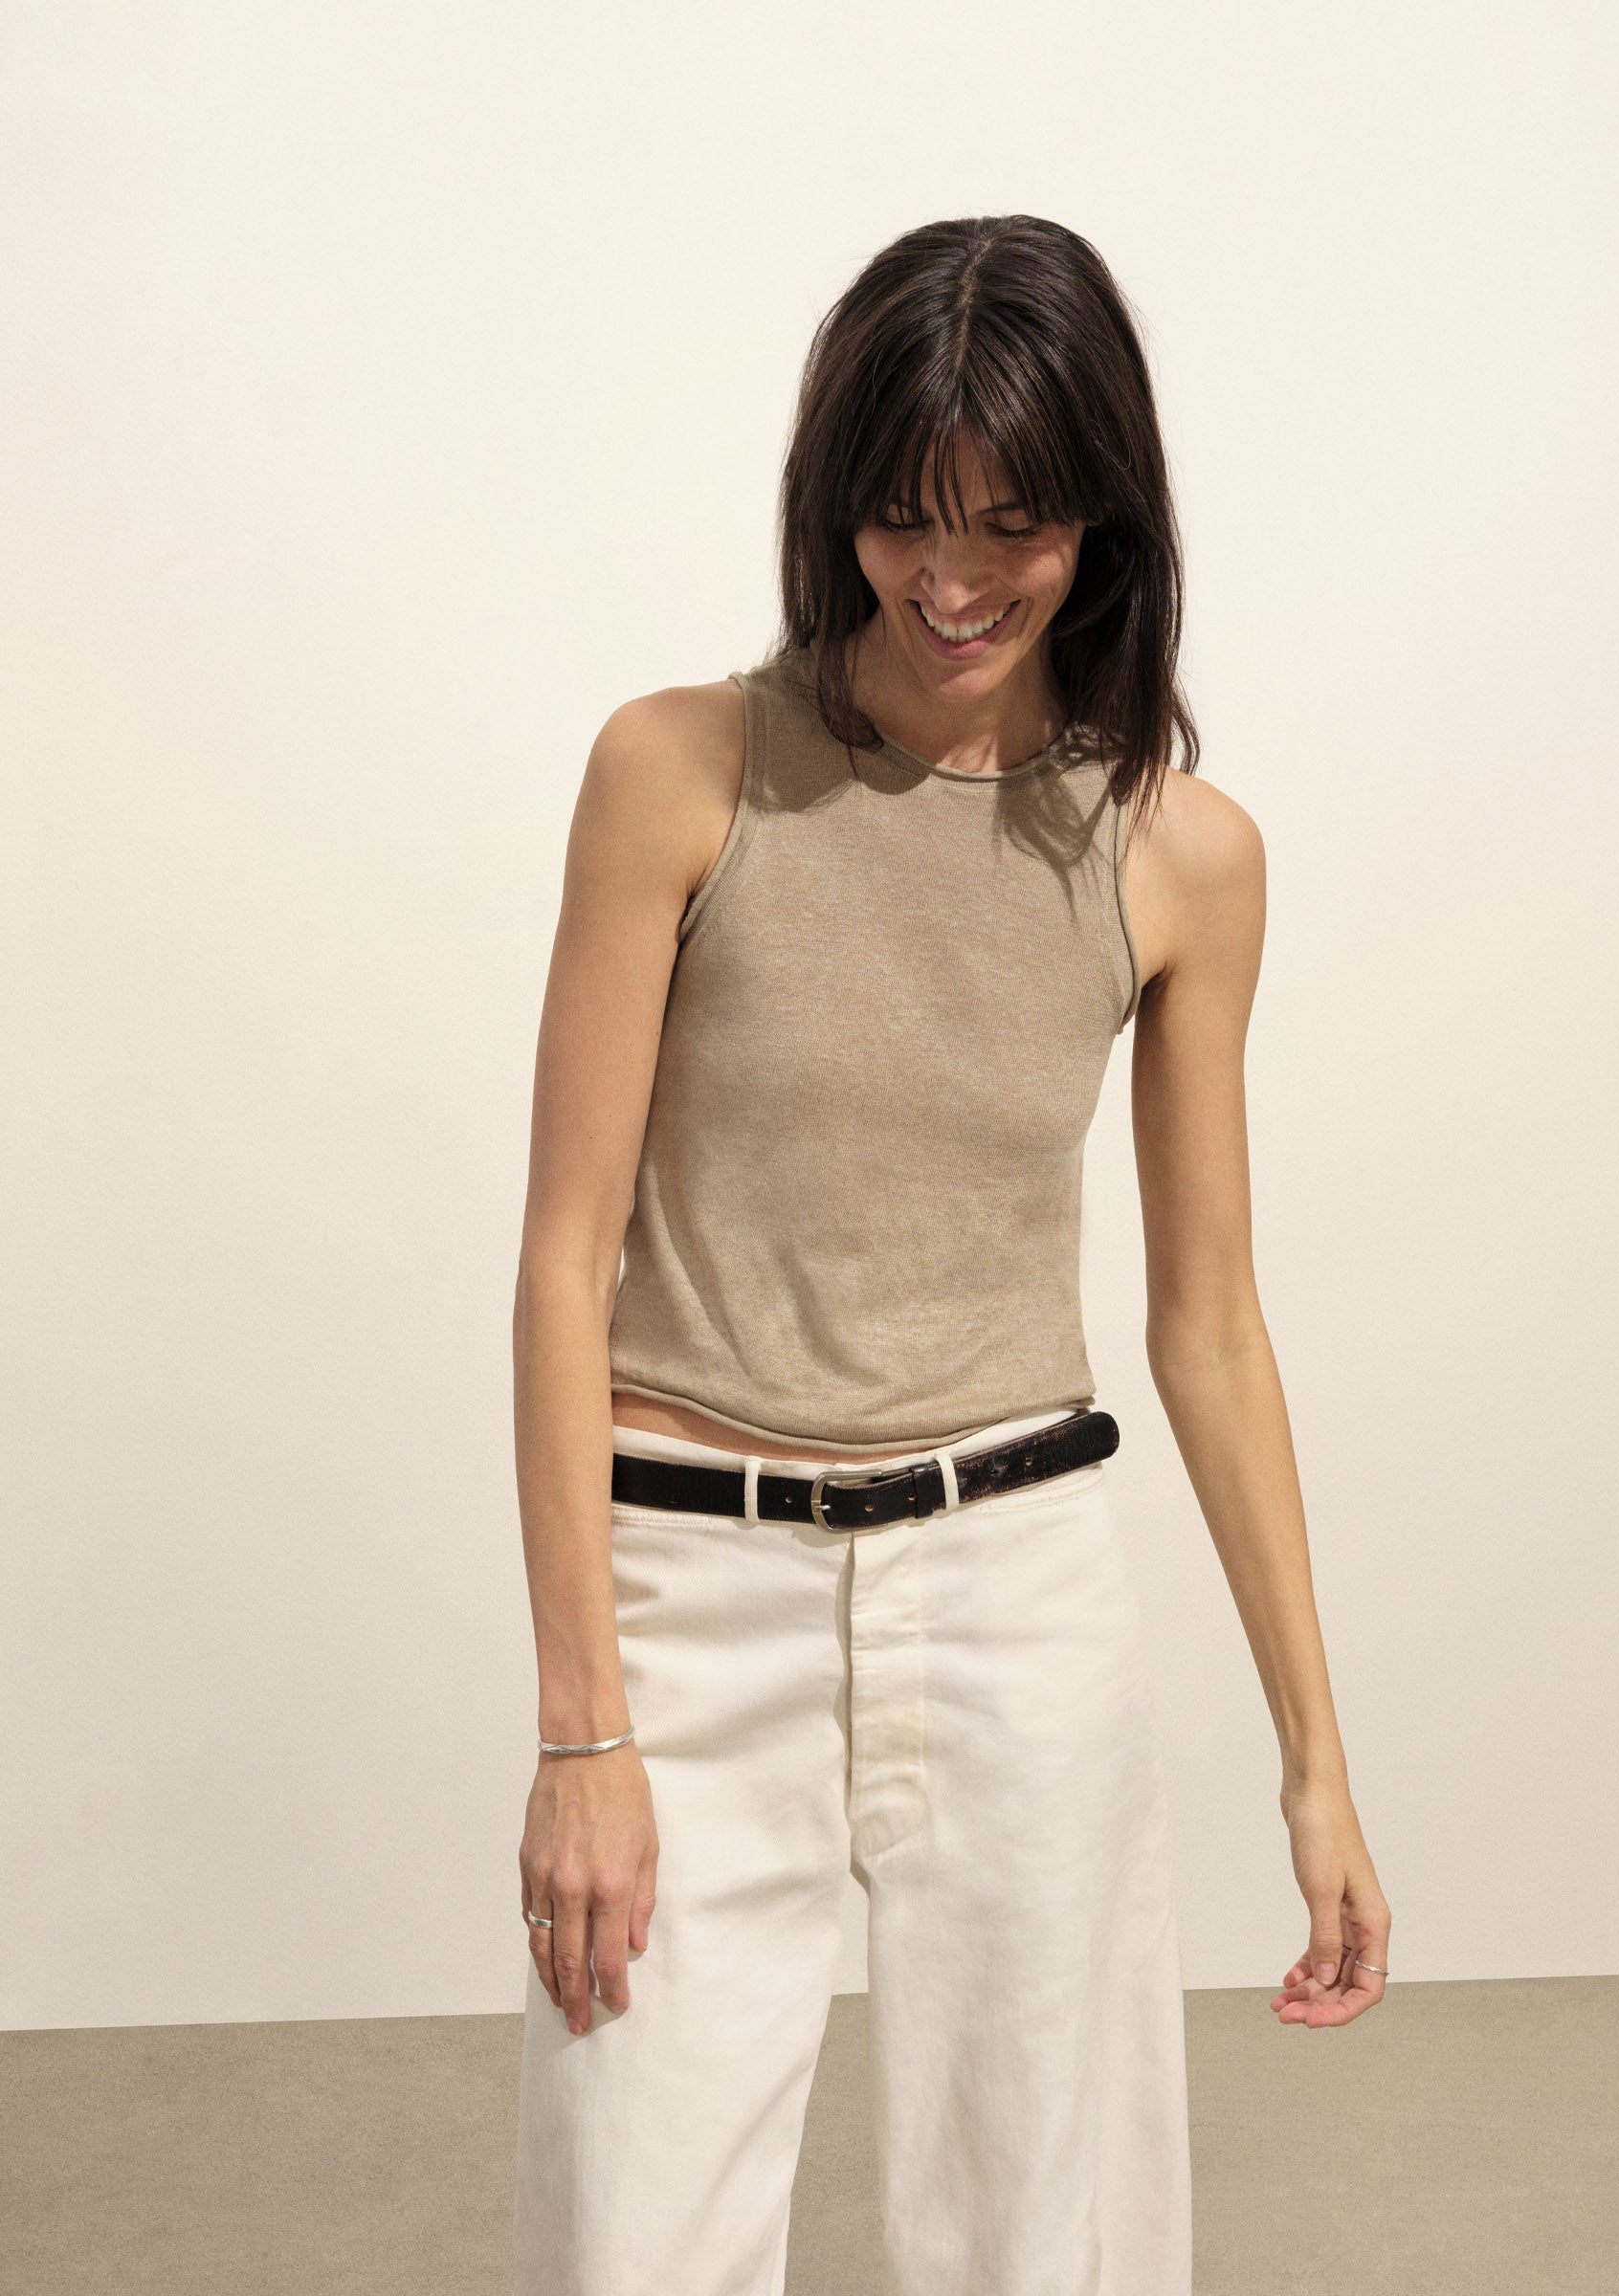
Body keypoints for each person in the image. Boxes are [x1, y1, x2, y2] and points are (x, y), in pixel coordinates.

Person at [510, 212, 1392, 2296]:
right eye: (906, 517)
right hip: (696, 1581)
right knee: (634, 2242)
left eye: (1015, 523)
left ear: (1105, 516)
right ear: (837, 504)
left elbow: (1209, 1327)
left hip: (1020, 1592)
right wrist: (583, 1732)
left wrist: (1318, 1760)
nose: (955, 577)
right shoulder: (681, 773)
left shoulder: (1181, 857)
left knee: (1045, 2243)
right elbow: (561, 1265)